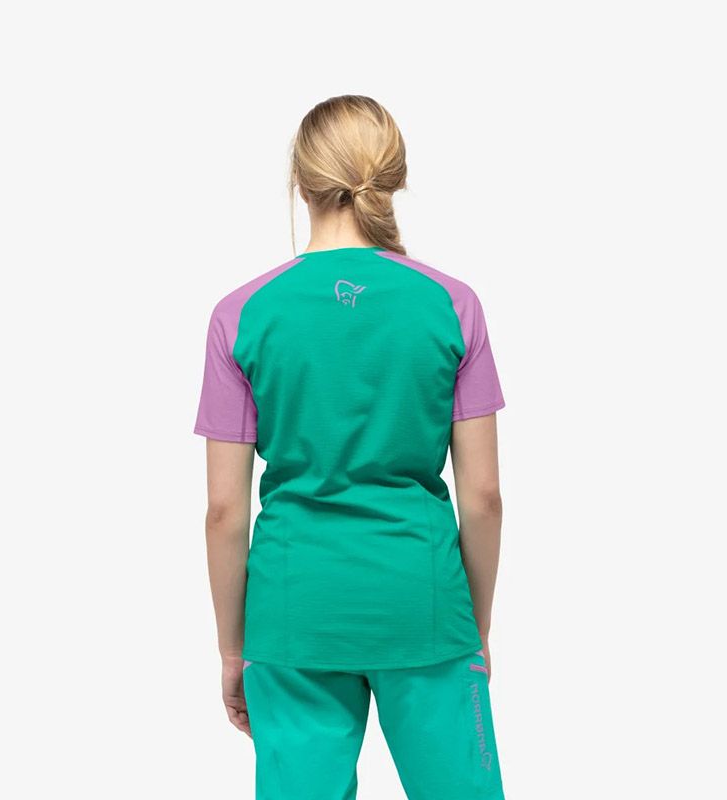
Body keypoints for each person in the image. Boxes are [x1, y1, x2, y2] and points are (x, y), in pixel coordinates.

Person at [194, 95, 507, 799]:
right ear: (392, 178)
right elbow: (484, 496)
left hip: (290, 612)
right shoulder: (453, 303)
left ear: (300, 183)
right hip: (425, 603)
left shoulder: (240, 314)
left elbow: (223, 511)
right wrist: (475, 627)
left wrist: (232, 647)